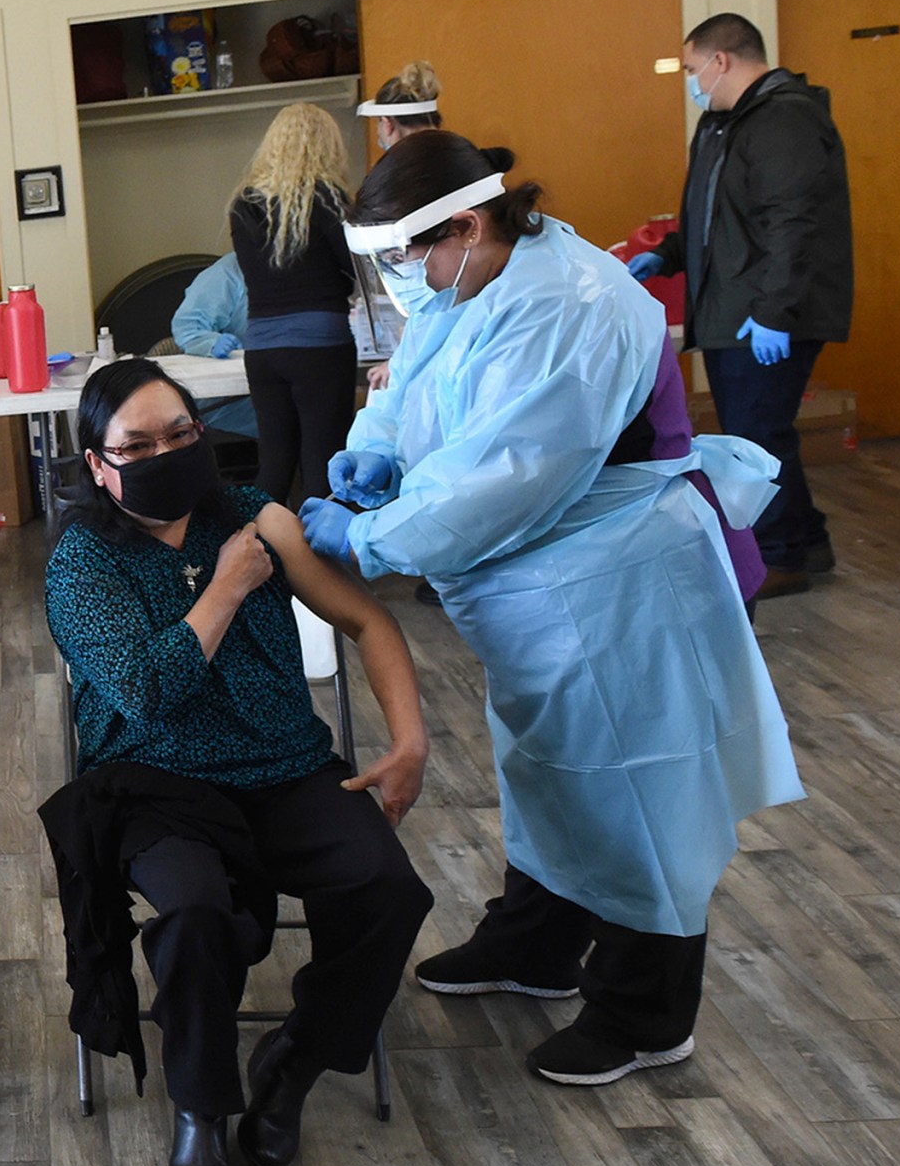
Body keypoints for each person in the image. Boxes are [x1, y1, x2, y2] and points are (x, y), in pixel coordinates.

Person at [299, 131, 802, 1088]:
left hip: (618, 581)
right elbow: (416, 383)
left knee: (636, 792)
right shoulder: (474, 282)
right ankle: (535, 945)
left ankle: (645, 1011)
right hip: (543, 589)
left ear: (472, 223)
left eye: (406, 259)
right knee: (552, 772)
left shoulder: (568, 303)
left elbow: (509, 475)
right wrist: (379, 448)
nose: (403, 284)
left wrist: (373, 539)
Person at [42, 359, 432, 1166]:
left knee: (389, 891)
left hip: (286, 767)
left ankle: (292, 1062)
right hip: (156, 786)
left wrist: (410, 741)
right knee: (191, 912)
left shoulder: (258, 518)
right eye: (137, 445)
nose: (166, 454)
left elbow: (367, 619)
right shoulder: (83, 564)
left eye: (181, 434)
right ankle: (200, 1108)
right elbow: (147, 693)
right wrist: (227, 586)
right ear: (99, 465)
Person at [630, 13, 852, 598]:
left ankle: (780, 556)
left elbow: (793, 222)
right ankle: (805, 540)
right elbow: (715, 217)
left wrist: (775, 312)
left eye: (690, 68)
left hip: (765, 315)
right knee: (760, 432)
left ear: (720, 60)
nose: (691, 80)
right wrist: (670, 254)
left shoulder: (785, 119)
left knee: (755, 441)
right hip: (734, 306)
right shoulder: (725, 124)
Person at [229, 103, 359, 506]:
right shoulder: (328, 198)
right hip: (321, 345)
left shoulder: (243, 204)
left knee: (274, 463)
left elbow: (258, 275)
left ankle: (257, 553)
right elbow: (353, 269)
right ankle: (320, 564)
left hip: (263, 348)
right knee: (323, 463)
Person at [355, 62, 442, 395]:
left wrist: (404, 354)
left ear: (387, 123)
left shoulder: (399, 176)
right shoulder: (458, 160)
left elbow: (422, 283)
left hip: (434, 321)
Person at [164, 253, 258, 436]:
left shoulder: (313, 267)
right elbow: (188, 326)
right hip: (231, 399)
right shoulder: (230, 272)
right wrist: (210, 343)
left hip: (286, 383)